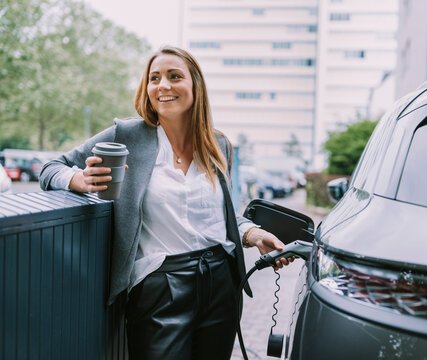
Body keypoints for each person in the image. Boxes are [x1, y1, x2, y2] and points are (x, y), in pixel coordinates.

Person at [39, 46, 291, 360]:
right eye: (154, 78)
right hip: (159, 286)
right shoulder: (127, 135)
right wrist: (78, 180)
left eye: (174, 76)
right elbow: (50, 167)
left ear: (195, 86)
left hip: (220, 282)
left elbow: (221, 217)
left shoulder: (218, 145)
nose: (163, 85)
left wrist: (253, 234)